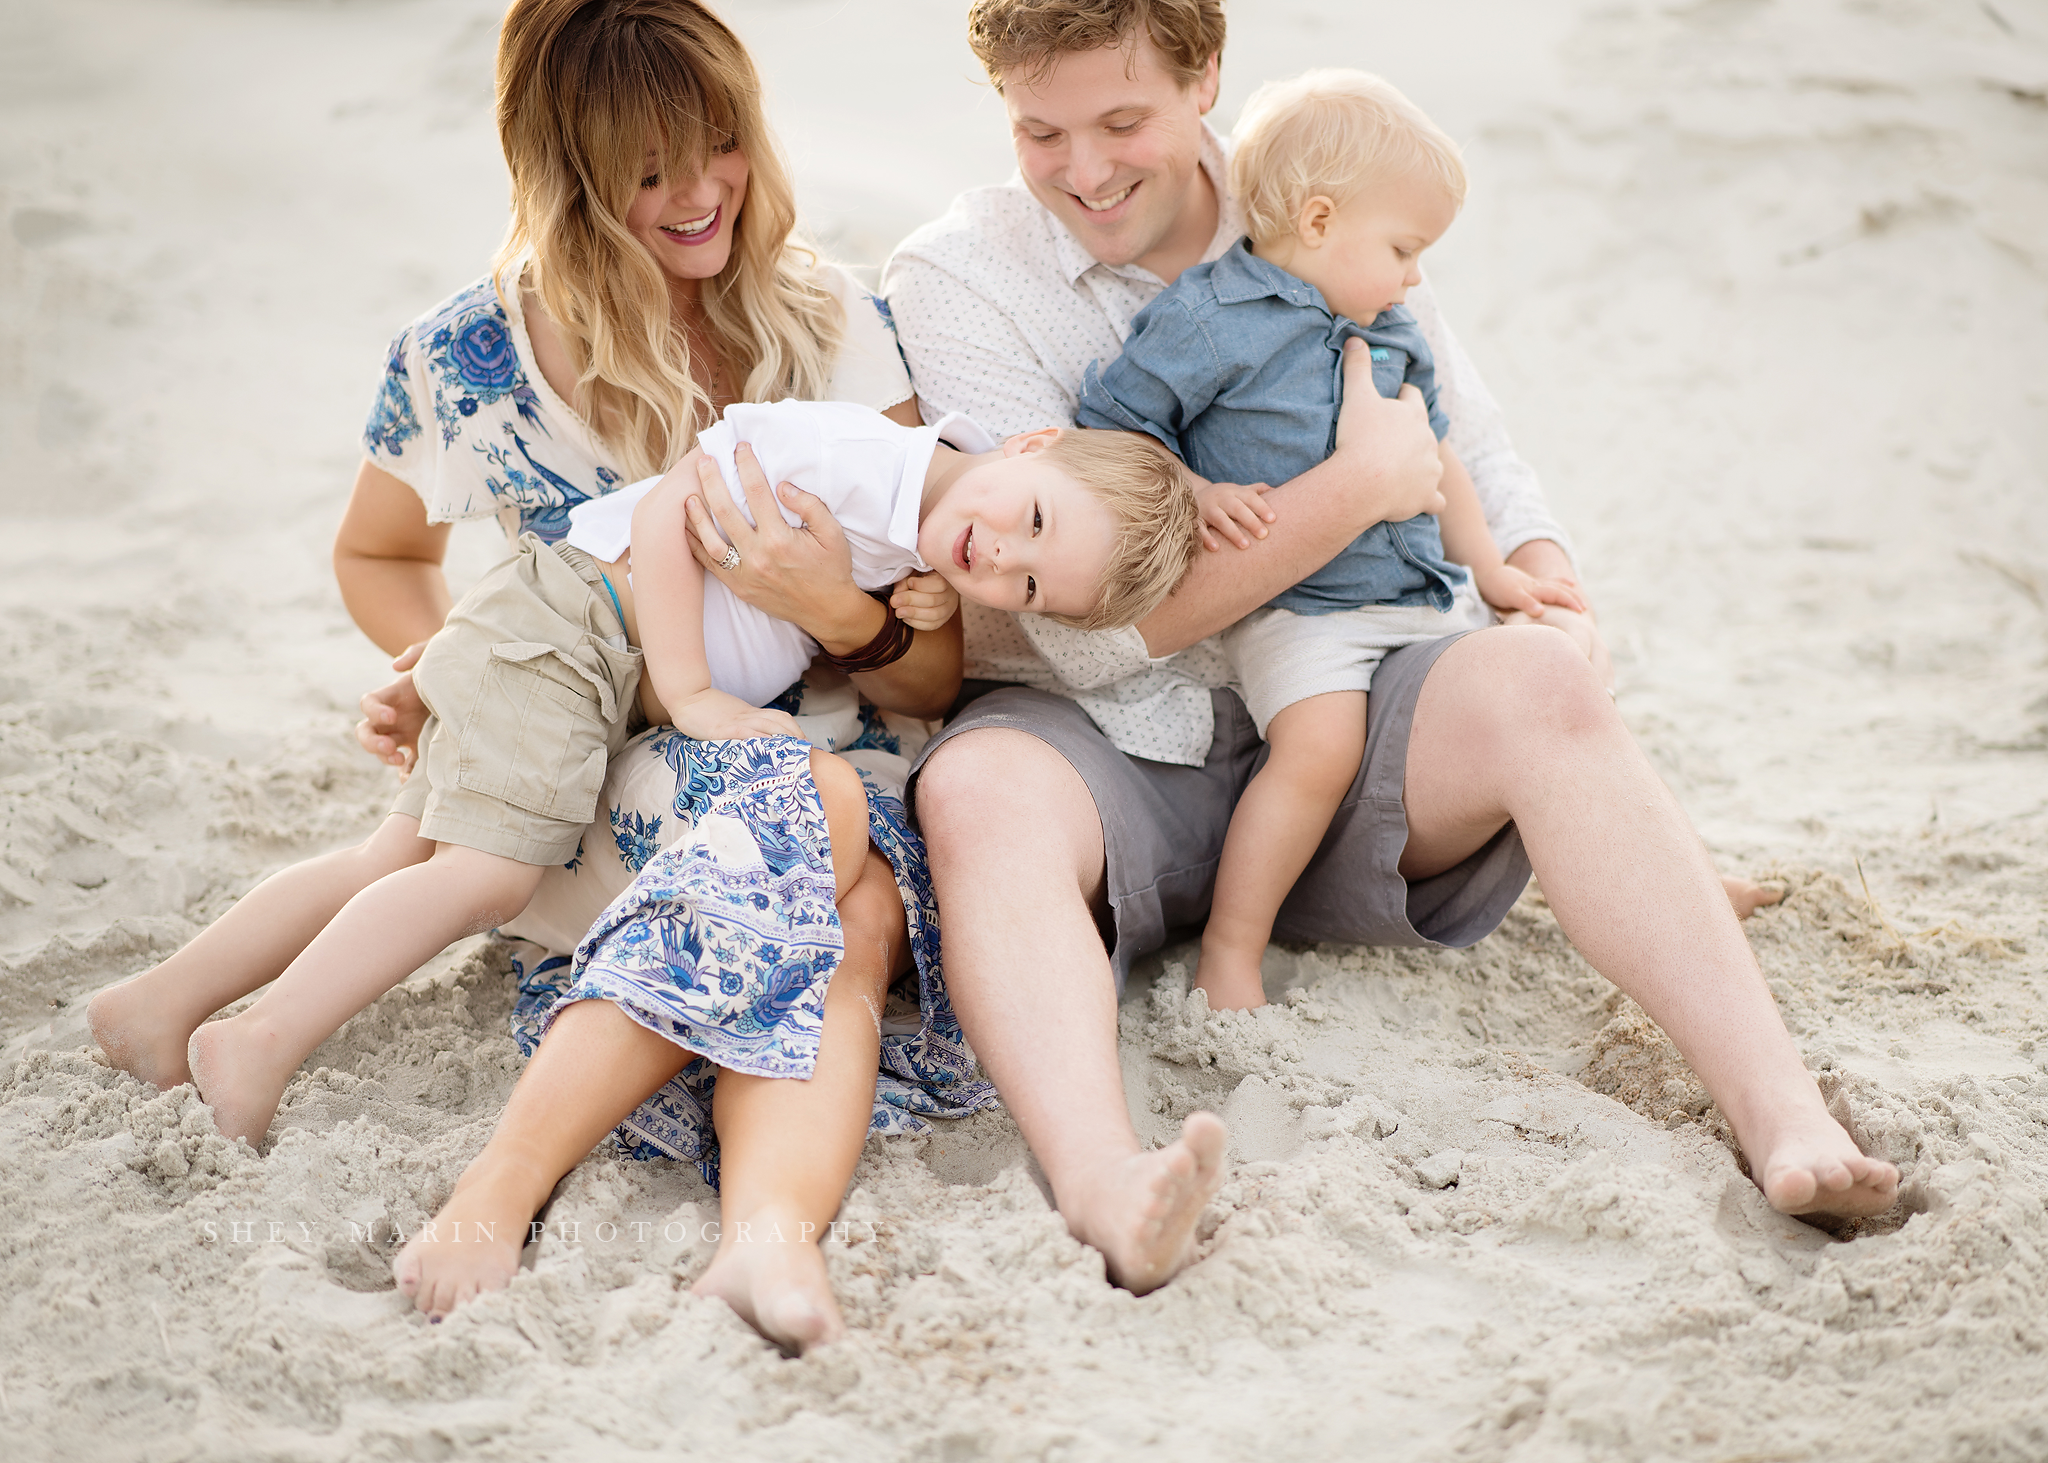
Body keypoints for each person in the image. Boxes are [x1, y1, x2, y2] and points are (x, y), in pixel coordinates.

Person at [878, 0, 1898, 1295]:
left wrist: (1546, 580)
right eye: (1041, 132)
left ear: (1205, 81)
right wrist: (1354, 490)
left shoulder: (1328, 182)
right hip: (1109, 746)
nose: (1084, 170)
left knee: (1539, 678)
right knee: (975, 786)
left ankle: (1786, 1117)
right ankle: (1107, 1182)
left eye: (1122, 121)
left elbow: (1467, 437)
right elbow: (1070, 628)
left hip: (1352, 694)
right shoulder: (959, 275)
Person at [86, 0, 977, 1353]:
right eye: (647, 170)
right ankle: (509, 1175)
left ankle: (754, 1236)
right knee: (715, 837)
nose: (698, 195)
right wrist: (441, 662)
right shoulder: (468, 354)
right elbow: (380, 550)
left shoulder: (841, 330)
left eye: (720, 144)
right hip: (591, 758)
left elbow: (938, 672)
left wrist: (843, 614)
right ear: (566, 177)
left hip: (746, 763)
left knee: (804, 840)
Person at [84, 396, 1195, 1149]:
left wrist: (917, 600)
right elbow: (671, 503)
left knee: (396, 854)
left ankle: (158, 1005)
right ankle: (257, 1039)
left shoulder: (916, 535)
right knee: (485, 877)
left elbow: (912, 651)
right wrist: (690, 686)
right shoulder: (867, 466)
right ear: (1028, 442)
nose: (1002, 559)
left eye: (1032, 587)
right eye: (1032, 521)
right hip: (583, 628)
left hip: (569, 641)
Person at [1077, 69, 1589, 1010]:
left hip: (1418, 594)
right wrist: (1191, 490)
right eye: (1403, 247)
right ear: (1317, 221)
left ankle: (1628, 856)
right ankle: (1234, 945)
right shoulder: (1209, 318)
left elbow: (1442, 456)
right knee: (1316, 752)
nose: (1415, 274)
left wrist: (1497, 574)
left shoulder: (1390, 329)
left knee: (1554, 691)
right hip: (1298, 608)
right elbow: (1110, 423)